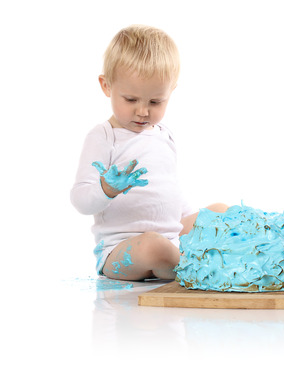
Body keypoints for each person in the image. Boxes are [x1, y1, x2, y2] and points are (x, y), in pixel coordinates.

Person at [71, 25, 227, 281]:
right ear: (106, 86)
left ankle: (196, 261)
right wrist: (106, 189)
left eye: (155, 102)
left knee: (222, 211)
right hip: (123, 251)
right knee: (155, 247)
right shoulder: (104, 136)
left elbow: (168, 190)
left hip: (170, 238)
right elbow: (80, 199)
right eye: (131, 100)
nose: (143, 111)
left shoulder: (164, 134)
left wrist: (190, 219)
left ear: (171, 92)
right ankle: (202, 269)